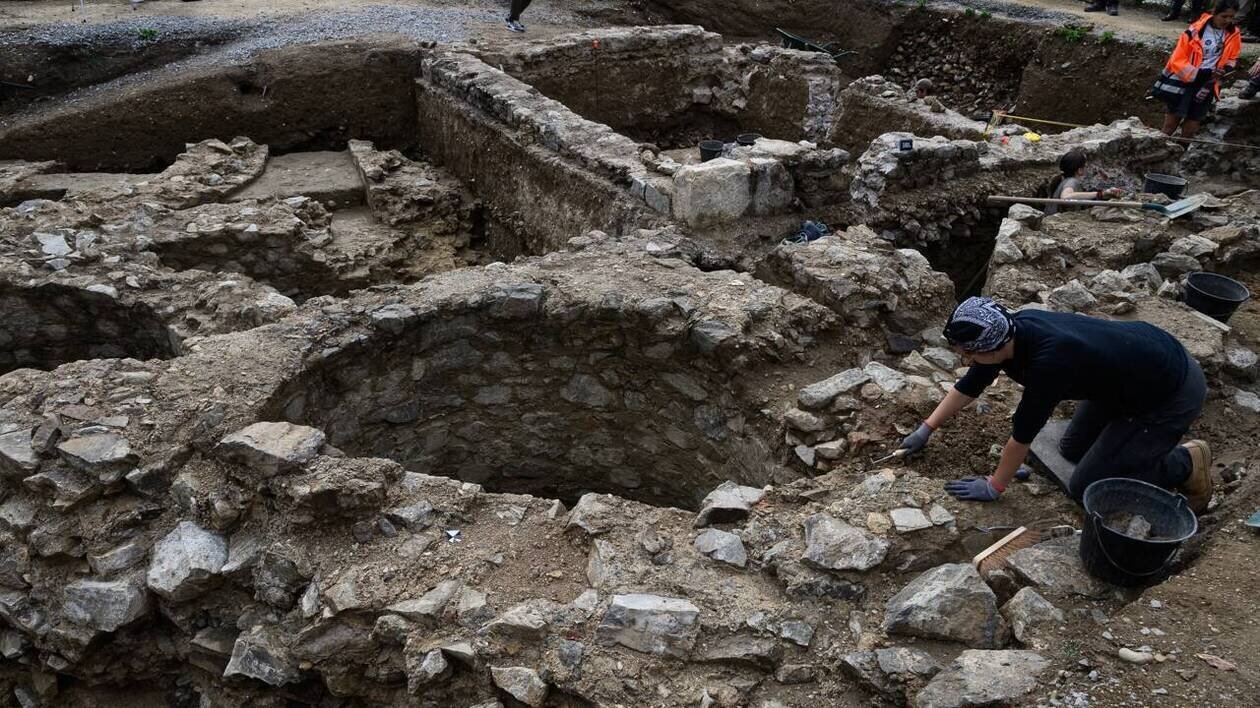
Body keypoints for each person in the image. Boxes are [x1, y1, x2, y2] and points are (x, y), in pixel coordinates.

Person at [898, 296, 1214, 512]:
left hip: (1168, 391)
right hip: (1127, 374)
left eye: (968, 353)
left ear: (989, 347)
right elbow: (971, 384)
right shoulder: (1009, 332)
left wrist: (995, 485)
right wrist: (926, 428)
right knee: (1071, 450)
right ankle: (1124, 444)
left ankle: (1185, 461)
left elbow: (1024, 432)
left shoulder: (1049, 363)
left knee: (1087, 486)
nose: (966, 359)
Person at [1150, 1, 1242, 139]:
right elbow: (1177, 60)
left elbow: (1232, 57)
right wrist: (1203, 73)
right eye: (1224, 16)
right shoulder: (1195, 31)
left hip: (1207, 84)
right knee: (1170, 125)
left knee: (1192, 124)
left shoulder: (1234, 33)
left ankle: (1182, 148)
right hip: (1184, 82)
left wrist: (1225, 70)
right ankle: (1159, 147)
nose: (1228, 20)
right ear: (1214, 13)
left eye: (1232, 17)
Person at [1043, 149, 1124, 216]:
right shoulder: (1072, 181)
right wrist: (1099, 194)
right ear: (1080, 170)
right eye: (1085, 166)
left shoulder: (1061, 180)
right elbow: (1065, 198)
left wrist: (1105, 194)